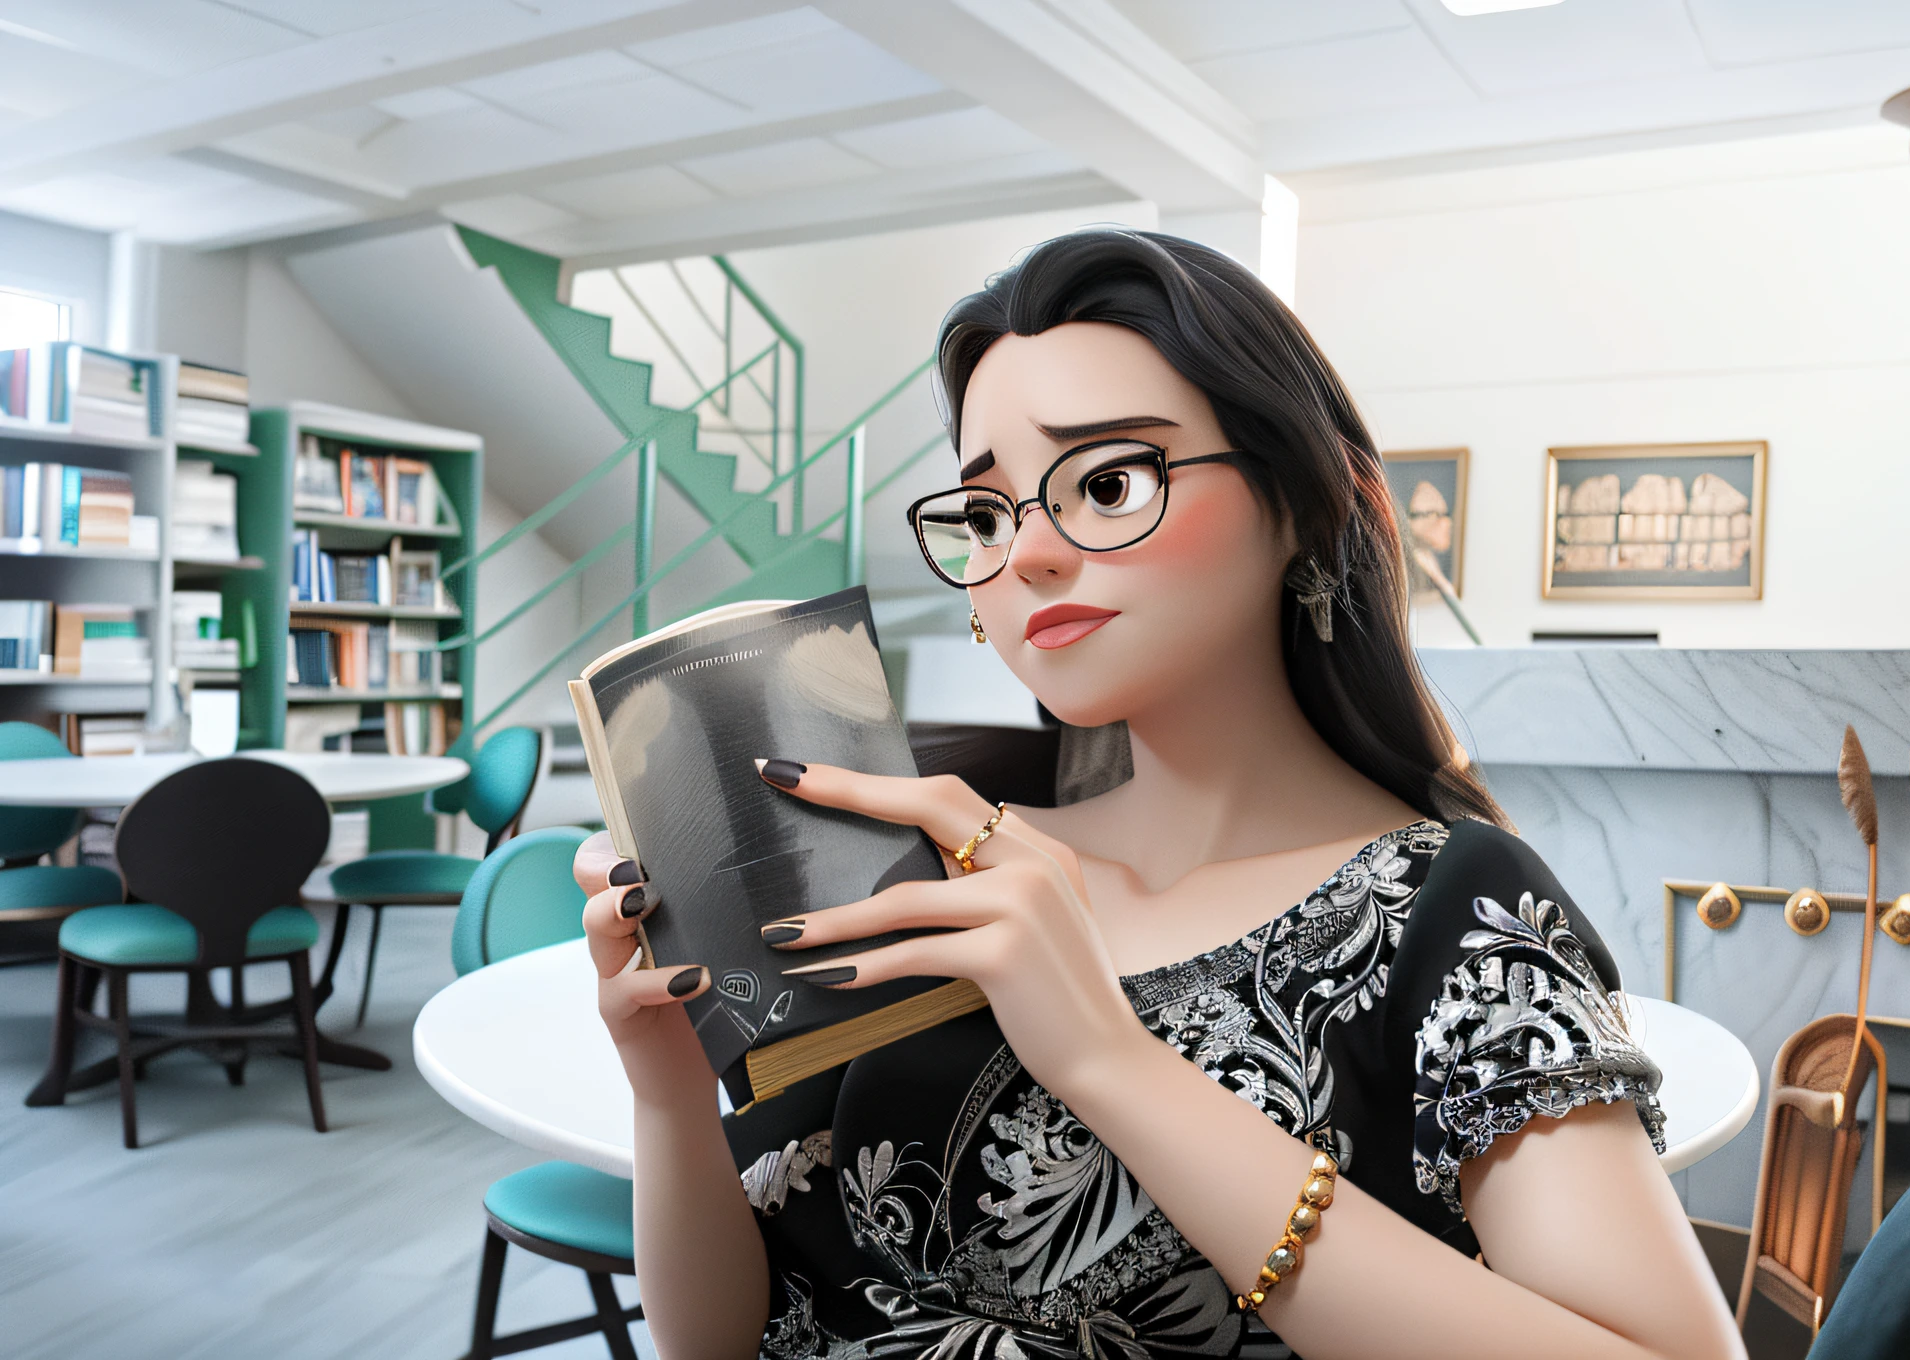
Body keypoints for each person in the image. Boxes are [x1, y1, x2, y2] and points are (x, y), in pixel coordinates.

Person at [574, 229, 1743, 1359]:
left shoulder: (1449, 905)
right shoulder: (927, 861)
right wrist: (671, 1098)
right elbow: (717, 1338)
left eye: (1110, 481)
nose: (1025, 553)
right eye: (986, 512)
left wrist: (1106, 1058)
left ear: (1306, 499)